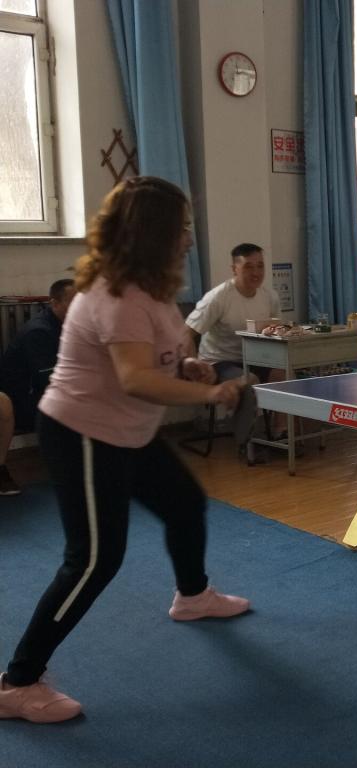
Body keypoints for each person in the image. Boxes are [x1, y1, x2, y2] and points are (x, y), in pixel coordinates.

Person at [0, 176, 251, 724]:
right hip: (84, 435)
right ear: (154, 233)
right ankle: (17, 683)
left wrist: (188, 366)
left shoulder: (151, 290)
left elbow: (154, 360)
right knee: (93, 560)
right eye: (182, 228)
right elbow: (135, 378)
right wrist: (210, 393)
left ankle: (192, 595)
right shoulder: (116, 294)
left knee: (185, 504)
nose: (189, 238)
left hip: (128, 431)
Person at [184, 243, 285, 456]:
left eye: (260, 266)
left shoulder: (270, 297)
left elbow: (276, 330)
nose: (256, 272)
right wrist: (195, 368)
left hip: (254, 357)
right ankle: (247, 444)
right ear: (234, 269)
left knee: (283, 373)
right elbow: (186, 333)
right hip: (219, 361)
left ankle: (280, 435)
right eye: (248, 267)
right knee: (249, 380)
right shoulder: (219, 297)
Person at [0, 279, 76, 495]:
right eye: (72, 302)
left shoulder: (71, 326)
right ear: (55, 303)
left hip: (44, 394)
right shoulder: (39, 332)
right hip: (23, 402)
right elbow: (50, 383)